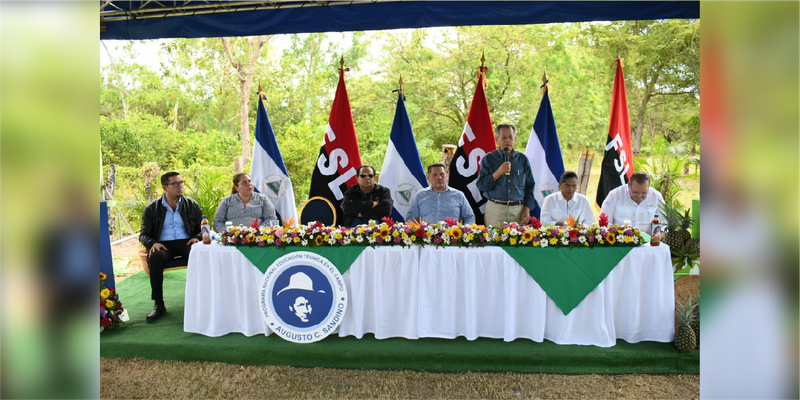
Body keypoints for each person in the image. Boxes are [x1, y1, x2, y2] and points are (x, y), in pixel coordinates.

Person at [139, 172, 202, 322]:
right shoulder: (151, 208)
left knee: (200, 254)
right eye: (175, 184)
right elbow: (143, 234)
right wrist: (152, 243)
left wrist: (197, 237)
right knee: (155, 258)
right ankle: (159, 304)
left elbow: (203, 227)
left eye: (182, 182)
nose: (180, 186)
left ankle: (203, 300)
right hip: (163, 245)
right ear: (164, 187)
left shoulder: (192, 205)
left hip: (186, 242)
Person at [477, 123, 536, 226]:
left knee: (517, 241)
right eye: (504, 137)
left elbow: (530, 186)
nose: (507, 140)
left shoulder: (522, 159)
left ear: (515, 139)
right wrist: (498, 172)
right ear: (497, 139)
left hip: (518, 210)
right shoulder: (489, 159)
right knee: (494, 241)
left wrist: (527, 208)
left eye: (510, 137)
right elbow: (481, 186)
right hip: (496, 209)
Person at [406, 163, 475, 225]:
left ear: (447, 176)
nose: (439, 178)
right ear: (428, 178)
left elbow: (469, 217)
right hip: (426, 237)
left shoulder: (458, 195)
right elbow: (411, 218)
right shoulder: (420, 195)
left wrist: (464, 232)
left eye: (442, 174)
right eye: (434, 175)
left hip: (452, 237)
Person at [600, 171, 665, 233]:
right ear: (629, 185)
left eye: (644, 193)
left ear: (648, 187)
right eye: (635, 193)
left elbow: (664, 223)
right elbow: (605, 221)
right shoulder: (614, 195)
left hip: (648, 241)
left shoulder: (656, 196)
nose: (639, 196)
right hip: (620, 240)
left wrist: (657, 237)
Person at [213, 173, 278, 231]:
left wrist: (258, 231)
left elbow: (271, 219)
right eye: (244, 182)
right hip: (232, 239)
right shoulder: (227, 200)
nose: (248, 184)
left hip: (258, 239)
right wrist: (228, 233)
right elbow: (217, 222)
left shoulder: (263, 199)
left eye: (249, 181)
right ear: (236, 187)